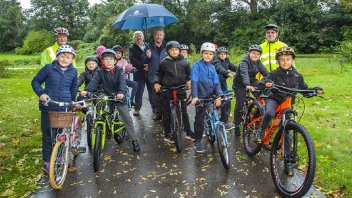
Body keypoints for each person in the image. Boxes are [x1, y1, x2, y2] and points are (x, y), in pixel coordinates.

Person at [256, 46, 323, 175]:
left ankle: (288, 162)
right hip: (274, 99)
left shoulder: (297, 76)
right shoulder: (274, 73)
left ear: (292, 60)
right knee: (269, 112)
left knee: (287, 132)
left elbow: (305, 89)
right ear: (278, 61)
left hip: (288, 104)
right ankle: (261, 130)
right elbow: (264, 81)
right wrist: (266, 83)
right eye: (281, 60)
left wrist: (315, 90)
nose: (285, 62)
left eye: (288, 59)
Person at [80, 49, 140, 152]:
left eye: (111, 59)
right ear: (102, 61)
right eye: (106, 59)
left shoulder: (119, 70)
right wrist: (86, 91)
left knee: (126, 117)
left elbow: (122, 83)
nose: (108, 61)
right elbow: (94, 83)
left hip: (119, 95)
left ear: (115, 61)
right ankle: (103, 126)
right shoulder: (100, 71)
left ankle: (134, 140)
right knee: (99, 104)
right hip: (106, 94)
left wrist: (121, 92)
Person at [32, 45, 78, 173]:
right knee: (48, 134)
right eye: (62, 56)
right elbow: (35, 81)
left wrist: (72, 102)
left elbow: (73, 89)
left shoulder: (73, 71)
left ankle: (59, 157)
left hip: (64, 106)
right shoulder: (48, 68)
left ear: (71, 59)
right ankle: (47, 161)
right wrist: (41, 93)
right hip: (49, 106)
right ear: (57, 57)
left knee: (61, 134)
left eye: (68, 57)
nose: (65, 59)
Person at [154, 41, 194, 143]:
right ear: (168, 51)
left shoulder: (185, 62)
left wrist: (189, 81)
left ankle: (188, 132)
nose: (174, 51)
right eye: (171, 50)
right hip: (167, 89)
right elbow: (158, 74)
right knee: (166, 112)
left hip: (181, 89)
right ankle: (168, 133)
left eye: (176, 49)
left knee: (184, 111)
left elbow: (189, 75)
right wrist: (156, 83)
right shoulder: (164, 62)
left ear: (179, 50)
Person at [191, 42, 222, 153]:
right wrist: (195, 96)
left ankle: (214, 130)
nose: (208, 56)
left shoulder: (213, 67)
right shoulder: (196, 65)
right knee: (199, 119)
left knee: (215, 112)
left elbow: (216, 83)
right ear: (201, 54)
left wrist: (219, 96)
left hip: (211, 94)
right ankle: (198, 140)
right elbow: (194, 81)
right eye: (206, 53)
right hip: (200, 96)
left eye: (210, 54)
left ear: (213, 55)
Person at [232, 44, 269, 136]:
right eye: (253, 53)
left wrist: (270, 80)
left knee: (263, 98)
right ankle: (236, 124)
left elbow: (266, 73)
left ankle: (256, 118)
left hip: (252, 82)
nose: (255, 55)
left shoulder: (258, 63)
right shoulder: (244, 62)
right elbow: (244, 74)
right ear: (249, 53)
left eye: (257, 54)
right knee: (240, 104)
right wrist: (247, 85)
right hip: (240, 84)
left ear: (260, 55)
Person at [213, 46, 238, 129]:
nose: (223, 55)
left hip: (223, 83)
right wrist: (227, 73)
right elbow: (219, 68)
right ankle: (215, 117)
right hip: (216, 83)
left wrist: (243, 70)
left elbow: (234, 67)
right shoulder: (216, 60)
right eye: (221, 54)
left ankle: (224, 121)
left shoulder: (227, 61)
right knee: (222, 100)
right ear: (218, 55)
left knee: (226, 100)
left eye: (224, 54)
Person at [128, 31, 152, 116]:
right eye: (136, 37)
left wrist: (150, 63)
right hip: (139, 72)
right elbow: (132, 59)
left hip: (150, 72)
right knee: (139, 91)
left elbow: (154, 57)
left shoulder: (149, 46)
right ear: (134, 39)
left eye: (140, 36)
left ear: (143, 37)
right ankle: (137, 108)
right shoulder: (132, 48)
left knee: (152, 91)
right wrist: (143, 66)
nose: (138, 38)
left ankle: (155, 108)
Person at [146, 29, 167, 121]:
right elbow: (144, 61)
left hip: (165, 75)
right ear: (154, 36)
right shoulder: (148, 47)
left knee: (165, 95)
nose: (159, 36)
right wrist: (148, 56)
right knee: (155, 96)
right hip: (153, 75)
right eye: (157, 35)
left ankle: (165, 112)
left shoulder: (167, 47)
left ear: (163, 36)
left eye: (160, 35)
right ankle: (156, 113)